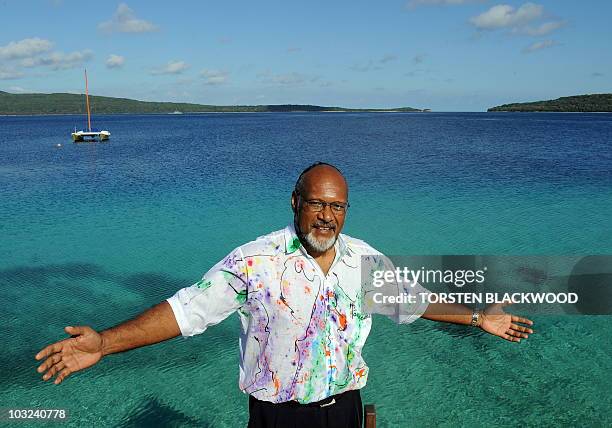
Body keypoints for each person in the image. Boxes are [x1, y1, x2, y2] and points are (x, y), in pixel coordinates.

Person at [35, 162, 534, 428]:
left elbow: (413, 301)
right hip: (275, 416)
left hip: (343, 408)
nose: (326, 216)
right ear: (295, 203)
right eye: (316, 202)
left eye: (336, 207)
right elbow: (187, 311)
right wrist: (106, 343)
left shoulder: (363, 261)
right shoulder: (255, 260)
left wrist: (476, 318)